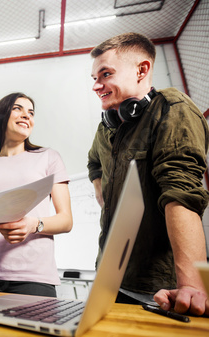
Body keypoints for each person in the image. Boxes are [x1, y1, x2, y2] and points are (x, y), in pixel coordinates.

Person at [87, 32, 209, 316]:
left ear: (142, 70)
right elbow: (94, 162)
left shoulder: (171, 108)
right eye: (94, 78)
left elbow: (181, 192)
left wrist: (191, 286)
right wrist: (103, 195)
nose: (96, 85)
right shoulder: (106, 128)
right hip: (108, 279)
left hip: (156, 291)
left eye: (105, 74)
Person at [0, 92, 73, 296]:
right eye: (18, 108)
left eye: (31, 112)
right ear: (2, 116)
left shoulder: (48, 157)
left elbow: (66, 220)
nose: (26, 115)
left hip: (33, 277)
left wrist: (33, 225)